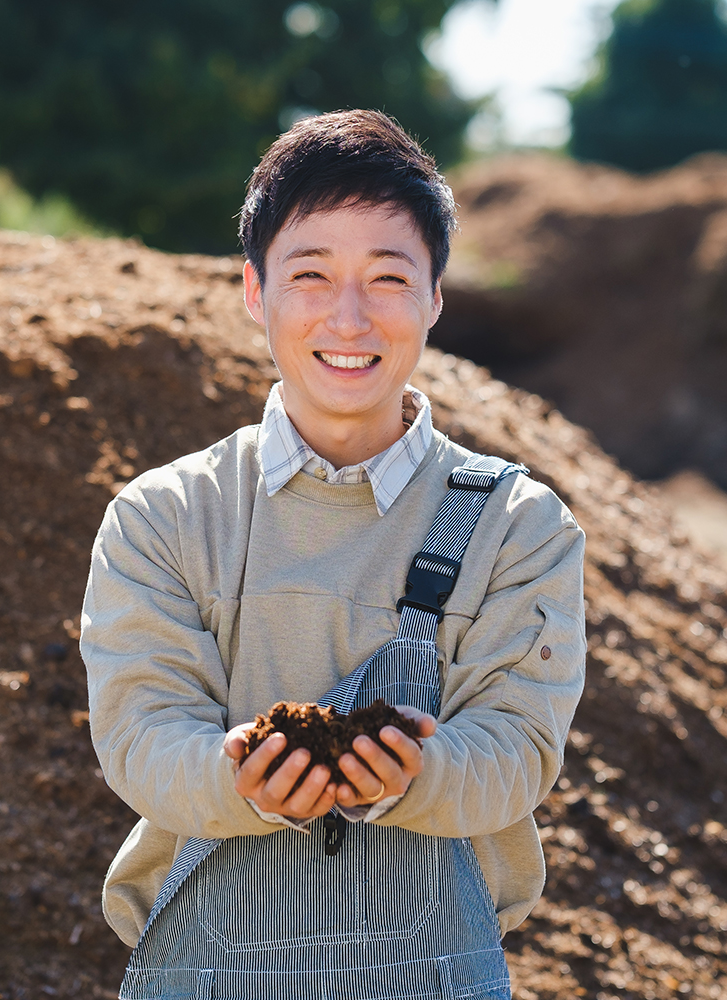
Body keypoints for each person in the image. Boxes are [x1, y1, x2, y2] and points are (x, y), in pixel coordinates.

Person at [81, 109, 586, 1000]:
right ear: (253, 289)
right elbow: (139, 736)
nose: (348, 318)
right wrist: (240, 777)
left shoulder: (518, 524)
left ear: (435, 296)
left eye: (388, 278)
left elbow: (519, 750)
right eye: (310, 275)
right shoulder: (165, 517)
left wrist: (416, 777)